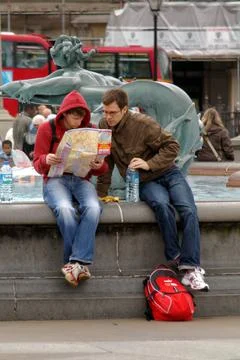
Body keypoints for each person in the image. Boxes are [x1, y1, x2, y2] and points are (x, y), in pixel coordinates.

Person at [96, 88, 209, 292]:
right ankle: (176, 258)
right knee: (161, 205)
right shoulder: (103, 127)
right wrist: (101, 194)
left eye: (112, 112)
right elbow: (107, 160)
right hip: (146, 182)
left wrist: (148, 164)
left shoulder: (143, 123)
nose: (107, 117)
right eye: (105, 112)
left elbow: (172, 146)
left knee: (188, 210)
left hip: (169, 173)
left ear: (124, 109)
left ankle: (191, 268)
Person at [33, 90, 109, 287]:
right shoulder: (46, 129)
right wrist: (45, 159)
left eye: (82, 115)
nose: (79, 119)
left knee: (93, 207)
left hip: (81, 179)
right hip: (55, 179)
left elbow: (103, 168)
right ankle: (78, 264)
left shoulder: (91, 130)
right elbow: (36, 162)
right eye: (75, 115)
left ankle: (72, 263)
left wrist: (97, 164)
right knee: (65, 209)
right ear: (64, 114)